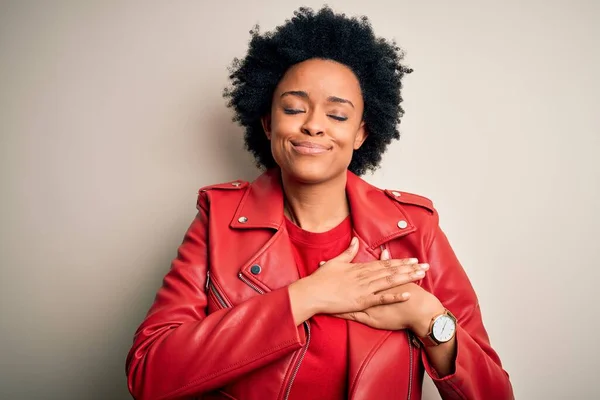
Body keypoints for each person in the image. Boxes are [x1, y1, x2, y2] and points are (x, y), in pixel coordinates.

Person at [126, 6, 514, 400]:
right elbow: (150, 372)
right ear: (268, 123)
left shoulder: (415, 228)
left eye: (337, 114)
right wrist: (306, 297)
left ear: (362, 133)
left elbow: (496, 394)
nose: (313, 124)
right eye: (293, 109)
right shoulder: (219, 219)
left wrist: (426, 317)